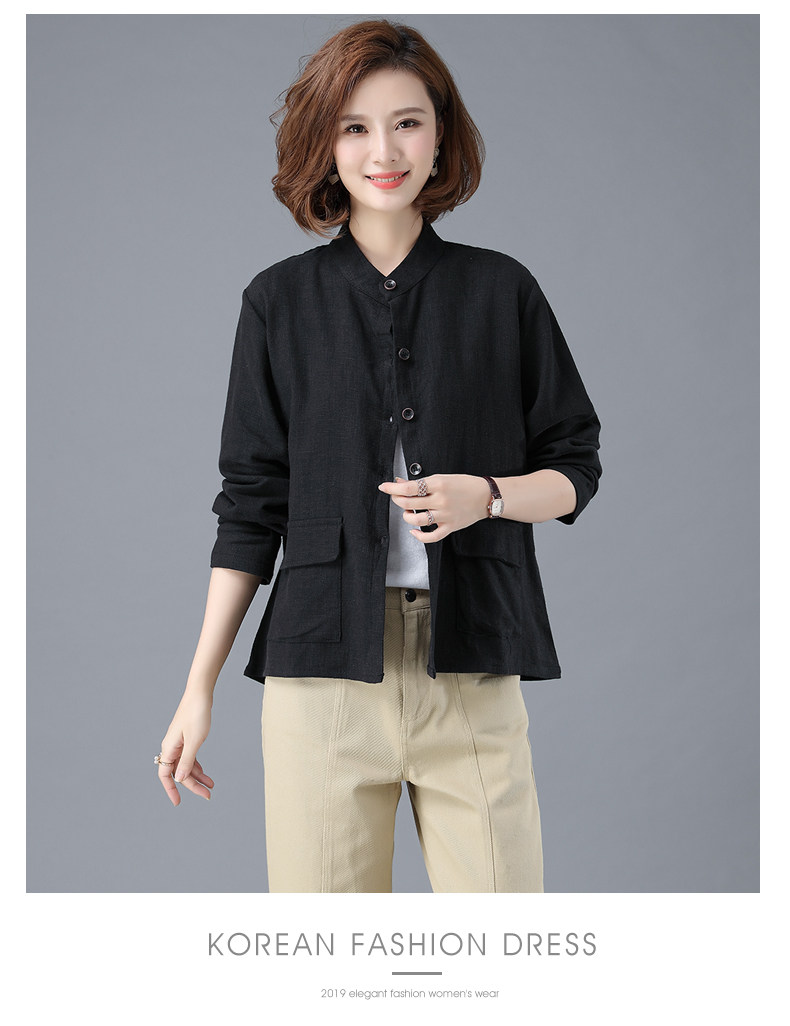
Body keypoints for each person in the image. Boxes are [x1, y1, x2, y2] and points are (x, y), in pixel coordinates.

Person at [155, 19, 602, 894]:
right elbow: (250, 506)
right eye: (355, 127)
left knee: (504, 946)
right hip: (319, 682)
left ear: (440, 136)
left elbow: (576, 466)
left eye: (407, 122)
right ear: (326, 144)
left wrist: (488, 495)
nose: (384, 151)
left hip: (472, 666)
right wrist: (197, 688)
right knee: (331, 956)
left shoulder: (502, 290)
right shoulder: (278, 303)